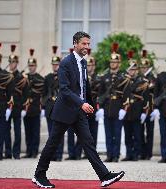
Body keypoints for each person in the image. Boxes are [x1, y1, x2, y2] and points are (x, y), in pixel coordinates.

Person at [32, 31, 125, 188]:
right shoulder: (66, 63)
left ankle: (104, 176)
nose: (87, 47)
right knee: (53, 143)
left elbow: (84, 86)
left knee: (88, 143)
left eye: (88, 44)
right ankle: (39, 175)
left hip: (79, 112)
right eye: (84, 44)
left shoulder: (83, 62)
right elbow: (64, 89)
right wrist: (81, 103)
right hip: (64, 111)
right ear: (75, 43)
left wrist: (91, 104)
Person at [97, 42, 126, 163]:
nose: (113, 64)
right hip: (107, 108)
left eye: (115, 62)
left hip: (117, 108)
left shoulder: (123, 77)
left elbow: (127, 94)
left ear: (119, 64)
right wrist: (101, 108)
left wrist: (124, 108)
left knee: (117, 134)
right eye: (111, 62)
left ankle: (116, 155)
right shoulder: (105, 77)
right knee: (108, 134)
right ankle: (109, 155)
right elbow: (101, 93)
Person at [120, 50, 149, 161]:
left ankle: (136, 154)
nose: (132, 71)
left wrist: (144, 112)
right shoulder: (124, 80)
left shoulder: (142, 81)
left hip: (137, 110)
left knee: (137, 135)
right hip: (127, 111)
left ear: (137, 70)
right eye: (130, 69)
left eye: (134, 69)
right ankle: (129, 154)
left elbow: (146, 97)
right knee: (127, 135)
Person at [4, 45, 28, 159]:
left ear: (17, 63)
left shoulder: (21, 77)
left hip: (17, 107)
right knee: (6, 131)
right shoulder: (5, 76)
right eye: (10, 62)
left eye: (13, 62)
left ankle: (16, 152)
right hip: (7, 107)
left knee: (17, 131)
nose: (11, 64)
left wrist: (23, 108)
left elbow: (26, 94)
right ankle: (8, 152)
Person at [21, 49, 44, 159]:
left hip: (35, 108)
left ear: (36, 66)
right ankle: (28, 151)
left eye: (33, 65)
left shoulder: (40, 78)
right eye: (29, 65)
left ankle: (34, 151)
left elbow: (42, 94)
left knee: (35, 132)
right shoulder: (24, 78)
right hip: (26, 108)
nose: (31, 67)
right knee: (27, 131)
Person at [43, 46, 64, 161]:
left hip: (60, 109)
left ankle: (59, 154)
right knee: (51, 134)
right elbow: (44, 93)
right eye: (53, 64)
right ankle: (53, 154)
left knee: (59, 133)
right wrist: (44, 106)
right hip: (50, 108)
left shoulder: (64, 77)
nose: (55, 66)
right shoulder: (48, 78)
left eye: (57, 64)